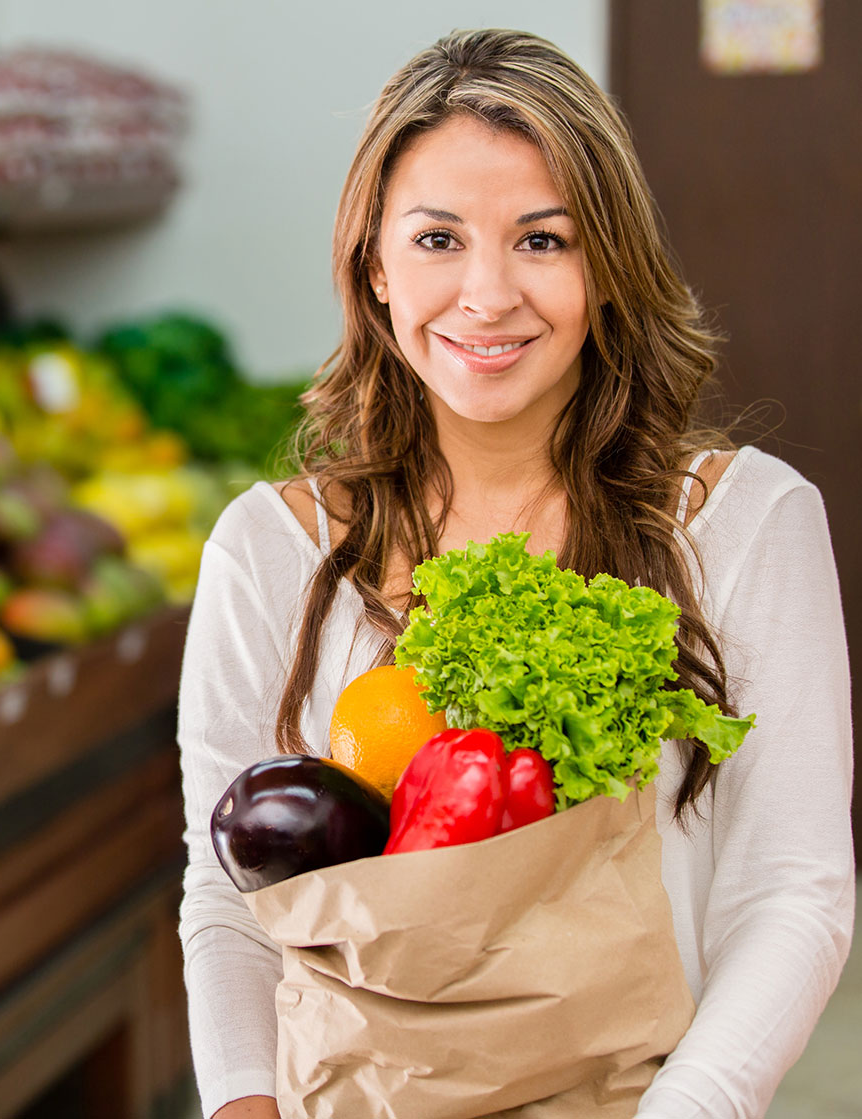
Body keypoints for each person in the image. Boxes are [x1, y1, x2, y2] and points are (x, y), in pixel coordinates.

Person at [176, 27, 855, 1119]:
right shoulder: (269, 548)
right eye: (438, 238)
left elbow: (795, 892)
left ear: (608, 270)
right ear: (375, 269)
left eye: (542, 241)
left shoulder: (743, 524)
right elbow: (226, 896)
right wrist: (243, 1108)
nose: (486, 294)